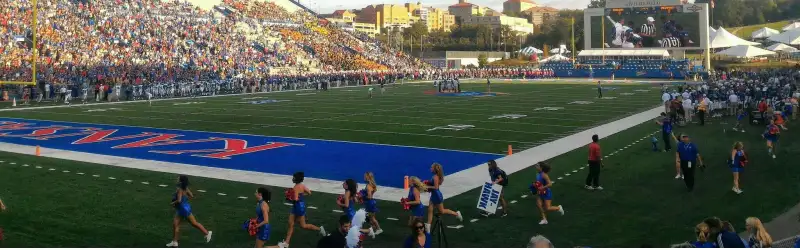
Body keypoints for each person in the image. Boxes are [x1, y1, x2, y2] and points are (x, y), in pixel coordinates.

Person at [167, 175, 212, 247]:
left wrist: (173, 203)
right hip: (185, 207)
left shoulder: (180, 189)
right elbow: (191, 196)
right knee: (177, 224)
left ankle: (207, 233)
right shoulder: (185, 188)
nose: (177, 178)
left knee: (179, 224)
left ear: (181, 181)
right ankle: (175, 242)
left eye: (178, 178)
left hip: (182, 209)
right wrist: (185, 199)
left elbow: (179, 200)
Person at [282, 172, 326, 247]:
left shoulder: (295, 187)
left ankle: (319, 229)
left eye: (294, 177)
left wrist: (288, 197)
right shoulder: (302, 186)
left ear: (296, 179)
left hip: (297, 207)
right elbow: (309, 192)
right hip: (301, 206)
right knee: (295, 224)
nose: (292, 179)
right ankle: (286, 242)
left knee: (297, 224)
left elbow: (295, 199)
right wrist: (301, 195)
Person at [425, 163, 463, 232]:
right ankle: (428, 226)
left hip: (437, 196)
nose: (430, 168)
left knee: (442, 211)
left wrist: (427, 187)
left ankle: (457, 213)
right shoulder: (436, 176)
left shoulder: (435, 177)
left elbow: (436, 187)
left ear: (434, 169)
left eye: (431, 168)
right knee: (430, 210)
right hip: (434, 195)